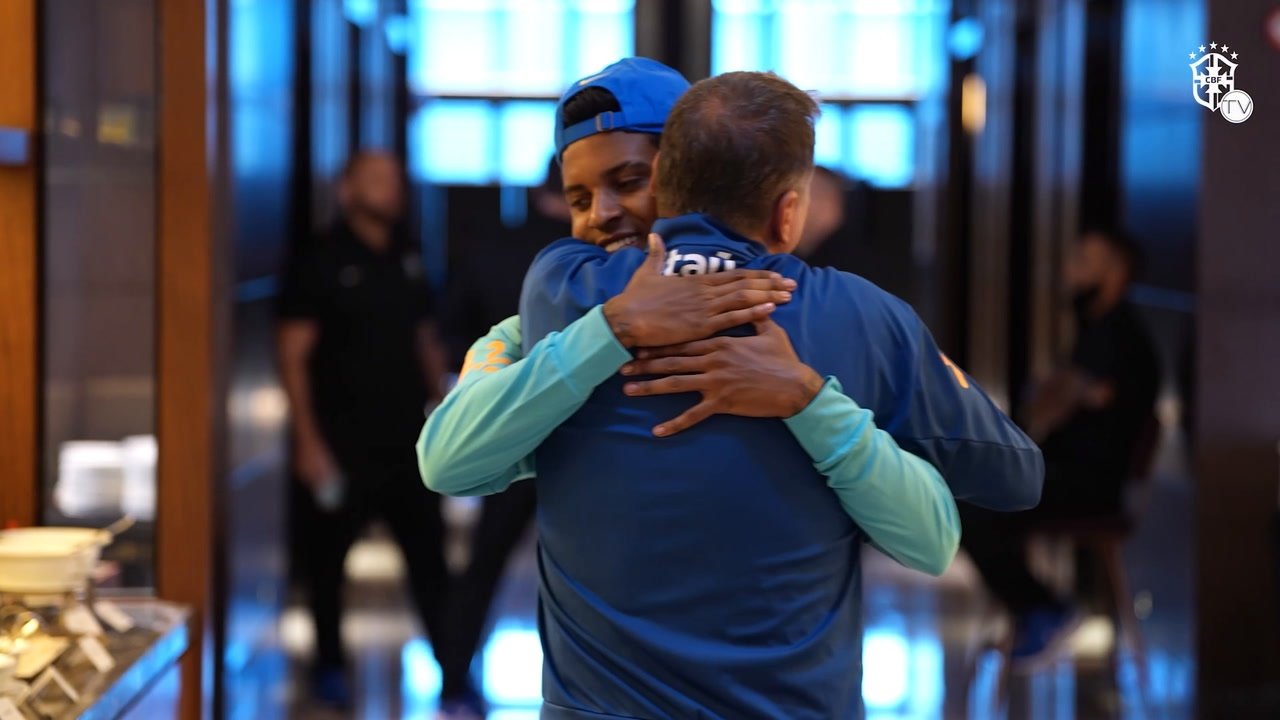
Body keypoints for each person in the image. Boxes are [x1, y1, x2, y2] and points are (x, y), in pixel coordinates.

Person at [419, 59, 970, 716]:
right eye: (578, 198)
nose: (602, 216)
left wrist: (810, 402)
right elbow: (448, 461)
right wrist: (610, 329)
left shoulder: (812, 321)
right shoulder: (560, 329)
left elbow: (930, 539)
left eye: (630, 182)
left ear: (690, 178)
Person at [276, 150, 451, 709]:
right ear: (347, 189)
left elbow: (426, 339)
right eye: (376, 180)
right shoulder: (319, 260)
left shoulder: (408, 255)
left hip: (407, 443)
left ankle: (455, 671)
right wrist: (306, 440)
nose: (390, 190)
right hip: (339, 442)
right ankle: (329, 668)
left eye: (395, 180)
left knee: (431, 563)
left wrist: (448, 412)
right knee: (327, 566)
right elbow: (293, 353)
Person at [960, 228, 1160, 667]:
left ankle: (1044, 609)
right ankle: (1040, 609)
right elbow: (1051, 399)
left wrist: (1059, 394)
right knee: (970, 492)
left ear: (1115, 272)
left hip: (1089, 483)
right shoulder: (1098, 330)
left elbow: (1053, 399)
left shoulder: (1117, 335)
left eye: (1083, 261)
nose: (1069, 270)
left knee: (971, 505)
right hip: (1069, 472)